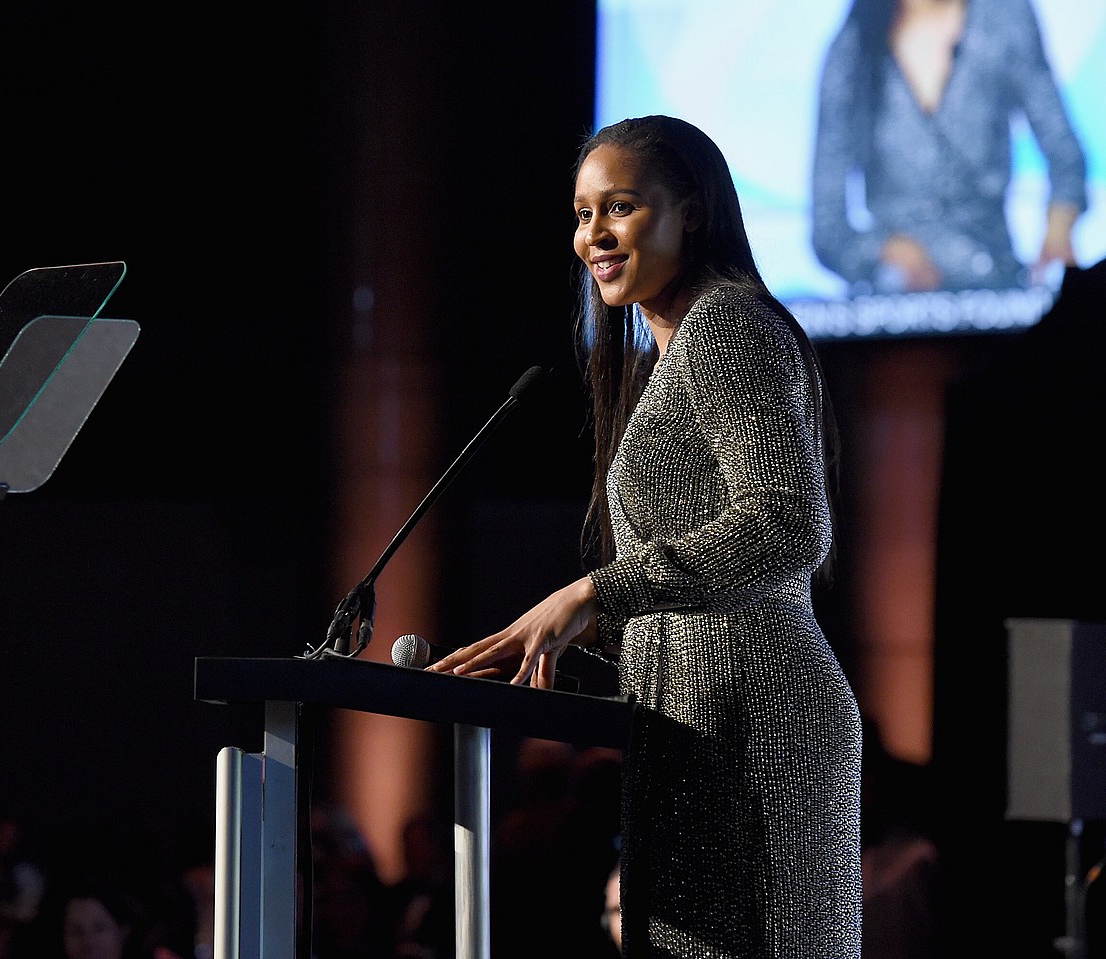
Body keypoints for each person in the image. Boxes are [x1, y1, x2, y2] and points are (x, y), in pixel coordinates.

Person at [428, 114, 863, 956]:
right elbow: (692, 594)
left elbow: (786, 523)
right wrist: (573, 631)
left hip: (755, 718)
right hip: (698, 714)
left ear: (691, 211)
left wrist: (596, 590)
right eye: (584, 213)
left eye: (619, 207)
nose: (594, 235)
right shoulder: (676, 353)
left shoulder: (727, 325)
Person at [810, 0, 1087, 294]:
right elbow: (828, 230)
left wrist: (1058, 229)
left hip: (996, 289)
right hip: (894, 305)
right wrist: (888, 250)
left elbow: (1065, 155)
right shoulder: (854, 46)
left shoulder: (1003, 18)